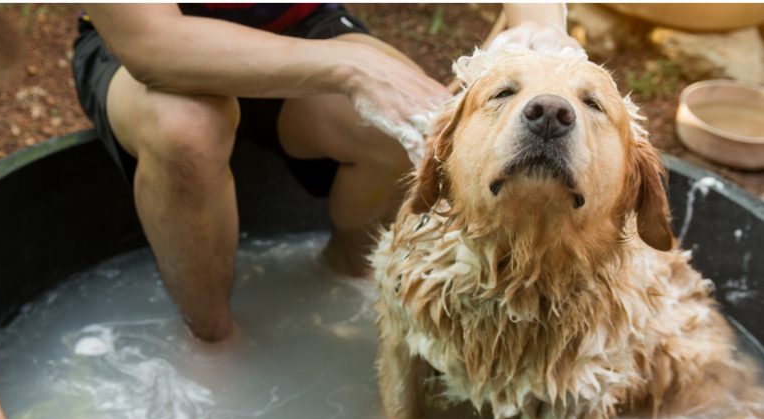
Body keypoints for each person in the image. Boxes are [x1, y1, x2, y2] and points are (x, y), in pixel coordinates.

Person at [72, 3, 579, 343]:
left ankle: (346, 273)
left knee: (407, 123)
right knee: (188, 129)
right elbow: (153, 46)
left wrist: (542, 25)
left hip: (299, 20)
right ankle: (212, 341)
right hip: (151, 45)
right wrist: (353, 69)